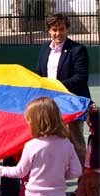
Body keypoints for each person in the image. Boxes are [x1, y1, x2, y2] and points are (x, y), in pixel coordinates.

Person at [0, 97, 82, 196]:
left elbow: (20, 172)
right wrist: (58, 176)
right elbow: (76, 171)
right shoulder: (66, 144)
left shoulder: (32, 145)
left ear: (36, 122)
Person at [36, 13, 91, 165]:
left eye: (61, 29)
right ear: (49, 30)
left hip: (71, 103)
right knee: (49, 142)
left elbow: (80, 78)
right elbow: (40, 73)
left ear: (67, 29)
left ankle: (83, 185)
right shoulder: (44, 49)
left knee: (76, 143)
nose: (58, 33)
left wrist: (55, 86)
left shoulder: (78, 50)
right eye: (54, 29)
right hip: (49, 104)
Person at [76, 104, 99, 196]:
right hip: (87, 172)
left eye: (90, 125)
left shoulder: (98, 136)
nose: (89, 127)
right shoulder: (93, 136)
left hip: (95, 174)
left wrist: (94, 114)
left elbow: (96, 125)